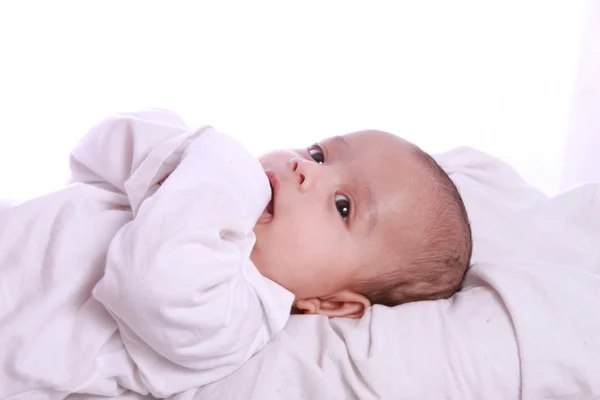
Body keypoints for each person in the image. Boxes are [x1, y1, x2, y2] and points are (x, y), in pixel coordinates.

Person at [0, 109, 471, 399]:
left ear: (331, 304)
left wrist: (215, 166)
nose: (303, 169)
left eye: (343, 206)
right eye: (319, 154)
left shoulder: (240, 313)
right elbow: (93, 151)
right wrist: (180, 160)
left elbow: (148, 283)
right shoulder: (193, 196)